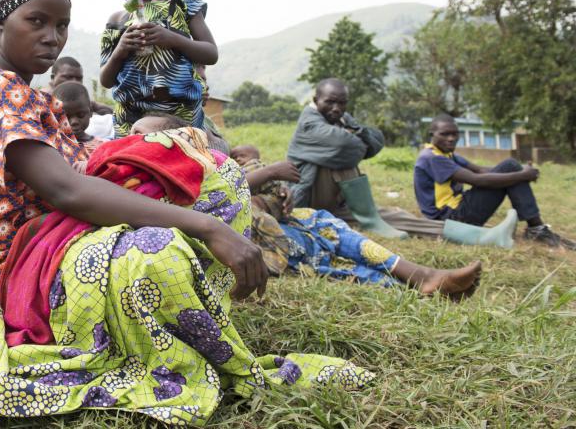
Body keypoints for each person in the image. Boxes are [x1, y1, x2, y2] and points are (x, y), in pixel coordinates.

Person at [0, 0, 372, 425]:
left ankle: (181, 313)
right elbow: (67, 190)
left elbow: (81, 164)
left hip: (59, 238)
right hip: (18, 266)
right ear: (0, 24)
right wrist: (207, 226)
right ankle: (153, 331)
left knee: (212, 172)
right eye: (35, 21)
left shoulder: (33, 95)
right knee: (158, 250)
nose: (52, 36)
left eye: (61, 25)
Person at [132, 116, 482, 297]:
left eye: (141, 134)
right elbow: (223, 199)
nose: (130, 140)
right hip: (254, 242)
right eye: (131, 132)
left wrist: (273, 192)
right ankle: (410, 283)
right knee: (320, 257)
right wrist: (263, 180)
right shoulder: (137, 182)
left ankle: (417, 275)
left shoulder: (193, 167)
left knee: (321, 221)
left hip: (266, 222)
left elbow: (236, 188)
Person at [99, 0, 218, 137]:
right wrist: (121, 49)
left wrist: (172, 38)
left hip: (179, 116)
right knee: (131, 165)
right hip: (130, 117)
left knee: (181, 162)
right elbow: (106, 80)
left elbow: (210, 53)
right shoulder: (118, 20)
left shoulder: (184, 7)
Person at [287, 78, 441, 240]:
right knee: (341, 157)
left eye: (342, 103)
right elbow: (344, 146)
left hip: (337, 204)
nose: (336, 108)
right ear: (316, 100)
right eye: (330, 102)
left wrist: (353, 138)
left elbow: (377, 140)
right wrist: (353, 140)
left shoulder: (342, 118)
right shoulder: (309, 121)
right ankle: (370, 220)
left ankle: (459, 232)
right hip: (307, 201)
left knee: (394, 217)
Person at [415, 114, 575, 250]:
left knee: (511, 166)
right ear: (432, 134)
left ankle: (536, 229)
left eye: (455, 134)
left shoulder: (445, 154)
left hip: (456, 212)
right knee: (511, 166)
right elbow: (477, 180)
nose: (451, 139)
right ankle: (536, 229)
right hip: (448, 221)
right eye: (444, 134)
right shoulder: (432, 158)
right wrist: (522, 175)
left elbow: (480, 170)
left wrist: (520, 171)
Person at [52, 81, 105, 155]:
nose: (74, 121)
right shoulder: (52, 146)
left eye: (81, 115)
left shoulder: (102, 146)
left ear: (91, 112)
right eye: (66, 117)